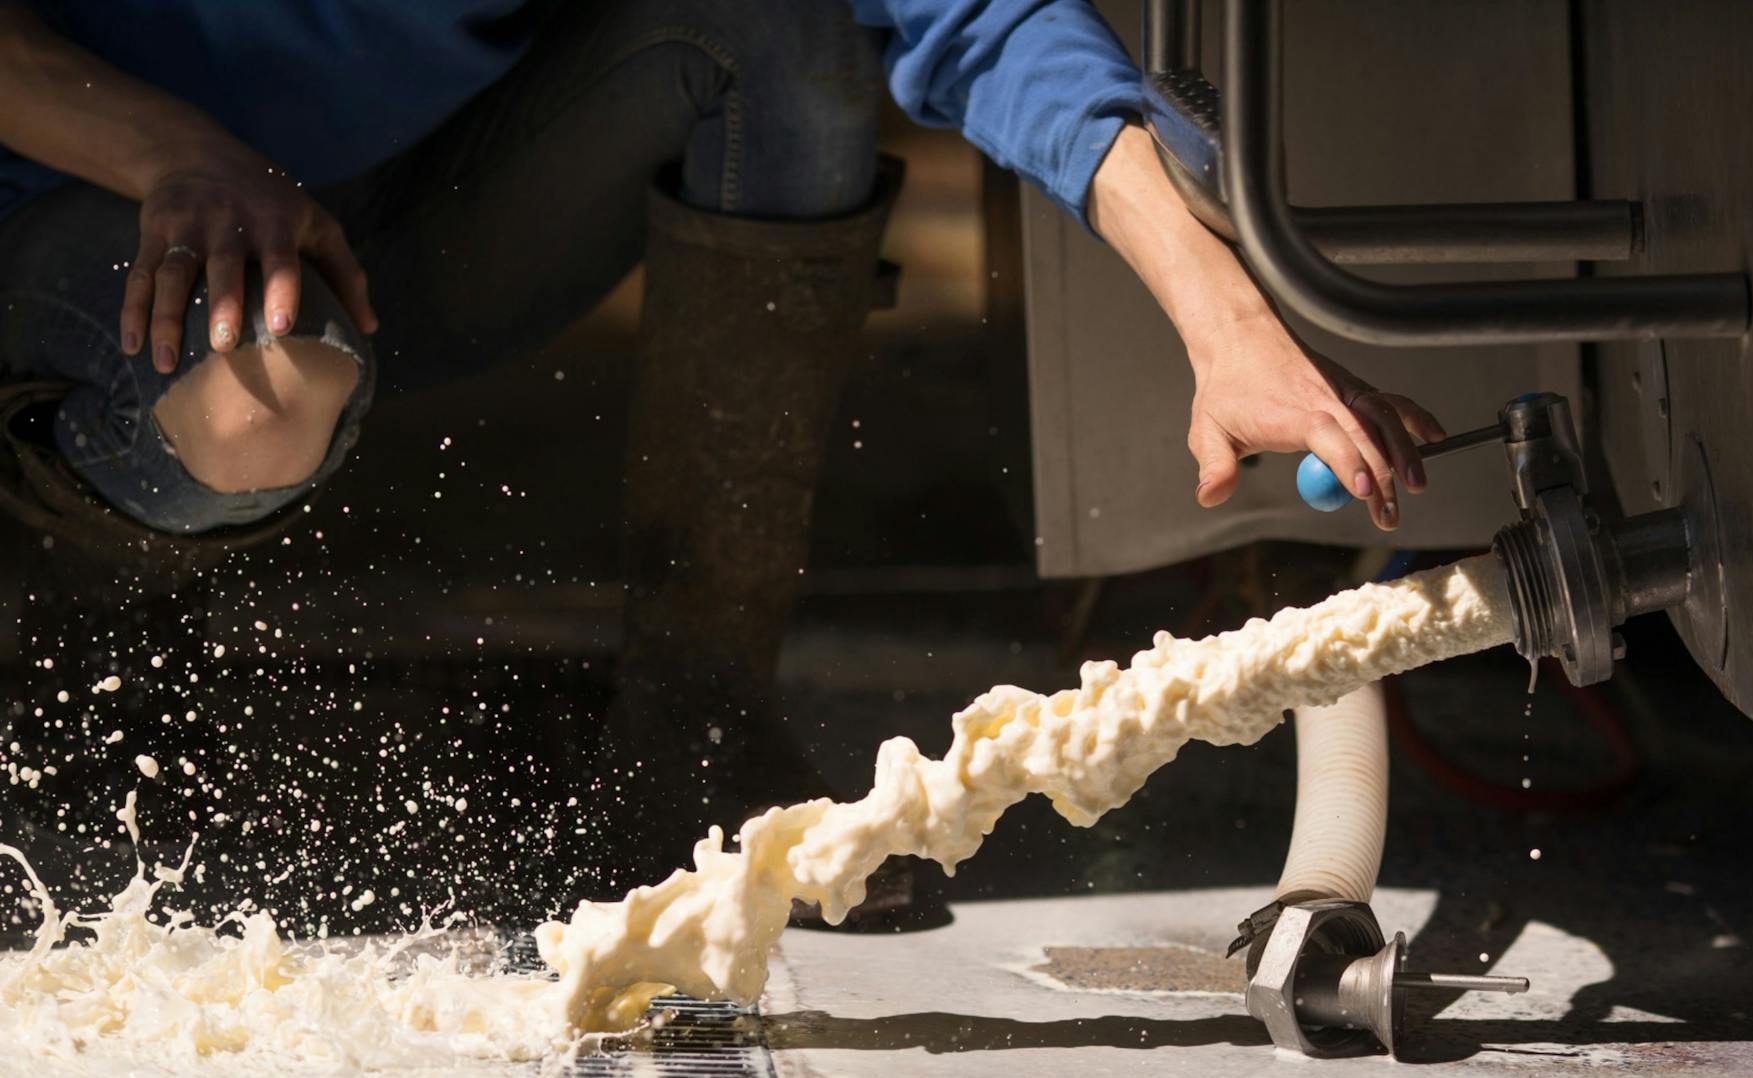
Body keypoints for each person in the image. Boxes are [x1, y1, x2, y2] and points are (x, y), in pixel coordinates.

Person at [0, 0, 1444, 897]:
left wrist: (1228, 323)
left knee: (780, 29)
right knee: (260, 403)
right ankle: (54, 523)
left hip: (414, 221)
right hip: (91, 192)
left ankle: (693, 719)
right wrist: (180, 156)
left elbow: (979, 14)